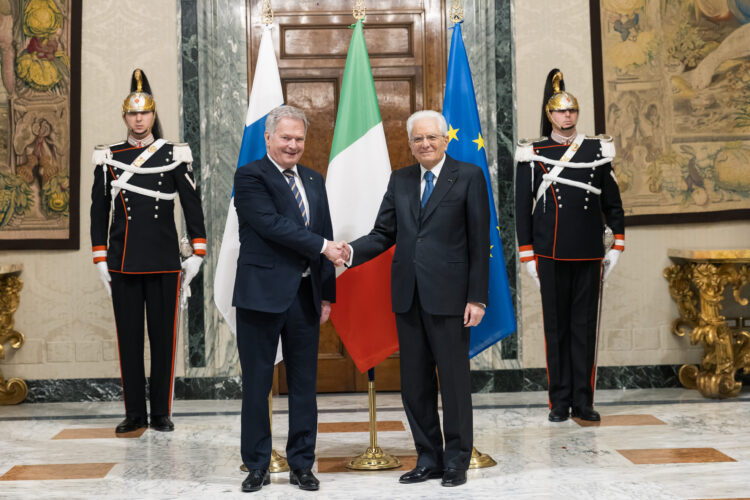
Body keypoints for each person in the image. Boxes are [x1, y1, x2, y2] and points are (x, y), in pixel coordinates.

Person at [335, 110, 489, 488]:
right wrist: (349, 252)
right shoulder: (400, 179)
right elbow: (383, 232)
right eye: (418, 139)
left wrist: (477, 298)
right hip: (408, 297)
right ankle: (428, 457)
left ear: (445, 139)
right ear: (410, 144)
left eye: (431, 138)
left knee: (453, 384)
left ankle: (456, 460)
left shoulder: (468, 176)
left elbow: (478, 242)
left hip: (452, 299)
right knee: (414, 386)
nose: (425, 144)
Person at [232, 105, 344, 493]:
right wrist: (325, 246)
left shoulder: (314, 179)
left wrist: (327, 293)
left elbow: (324, 230)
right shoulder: (250, 176)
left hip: (305, 297)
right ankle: (257, 464)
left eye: (299, 138)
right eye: (285, 138)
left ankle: (302, 463)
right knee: (258, 384)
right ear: (268, 138)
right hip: (260, 296)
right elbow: (271, 225)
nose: (293, 145)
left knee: (303, 385)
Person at [90, 69, 206, 434]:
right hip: (123, 261)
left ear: (153, 115)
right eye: (132, 113)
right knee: (129, 341)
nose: (138, 119)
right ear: (125, 116)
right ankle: (134, 414)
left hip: (164, 260)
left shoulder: (174, 153)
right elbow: (98, 210)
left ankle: (160, 413)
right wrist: (99, 257)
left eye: (145, 113)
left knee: (163, 339)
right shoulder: (109, 156)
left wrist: (197, 251)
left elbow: (191, 204)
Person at [514, 69, 625, 423]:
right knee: (556, 329)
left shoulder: (597, 149)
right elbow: (521, 208)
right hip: (550, 253)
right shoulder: (534, 152)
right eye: (561, 111)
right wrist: (527, 253)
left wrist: (617, 245)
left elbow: (613, 203)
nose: (567, 116)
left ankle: (584, 400)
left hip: (590, 252)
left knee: (584, 328)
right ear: (550, 115)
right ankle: (559, 402)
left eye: (572, 111)